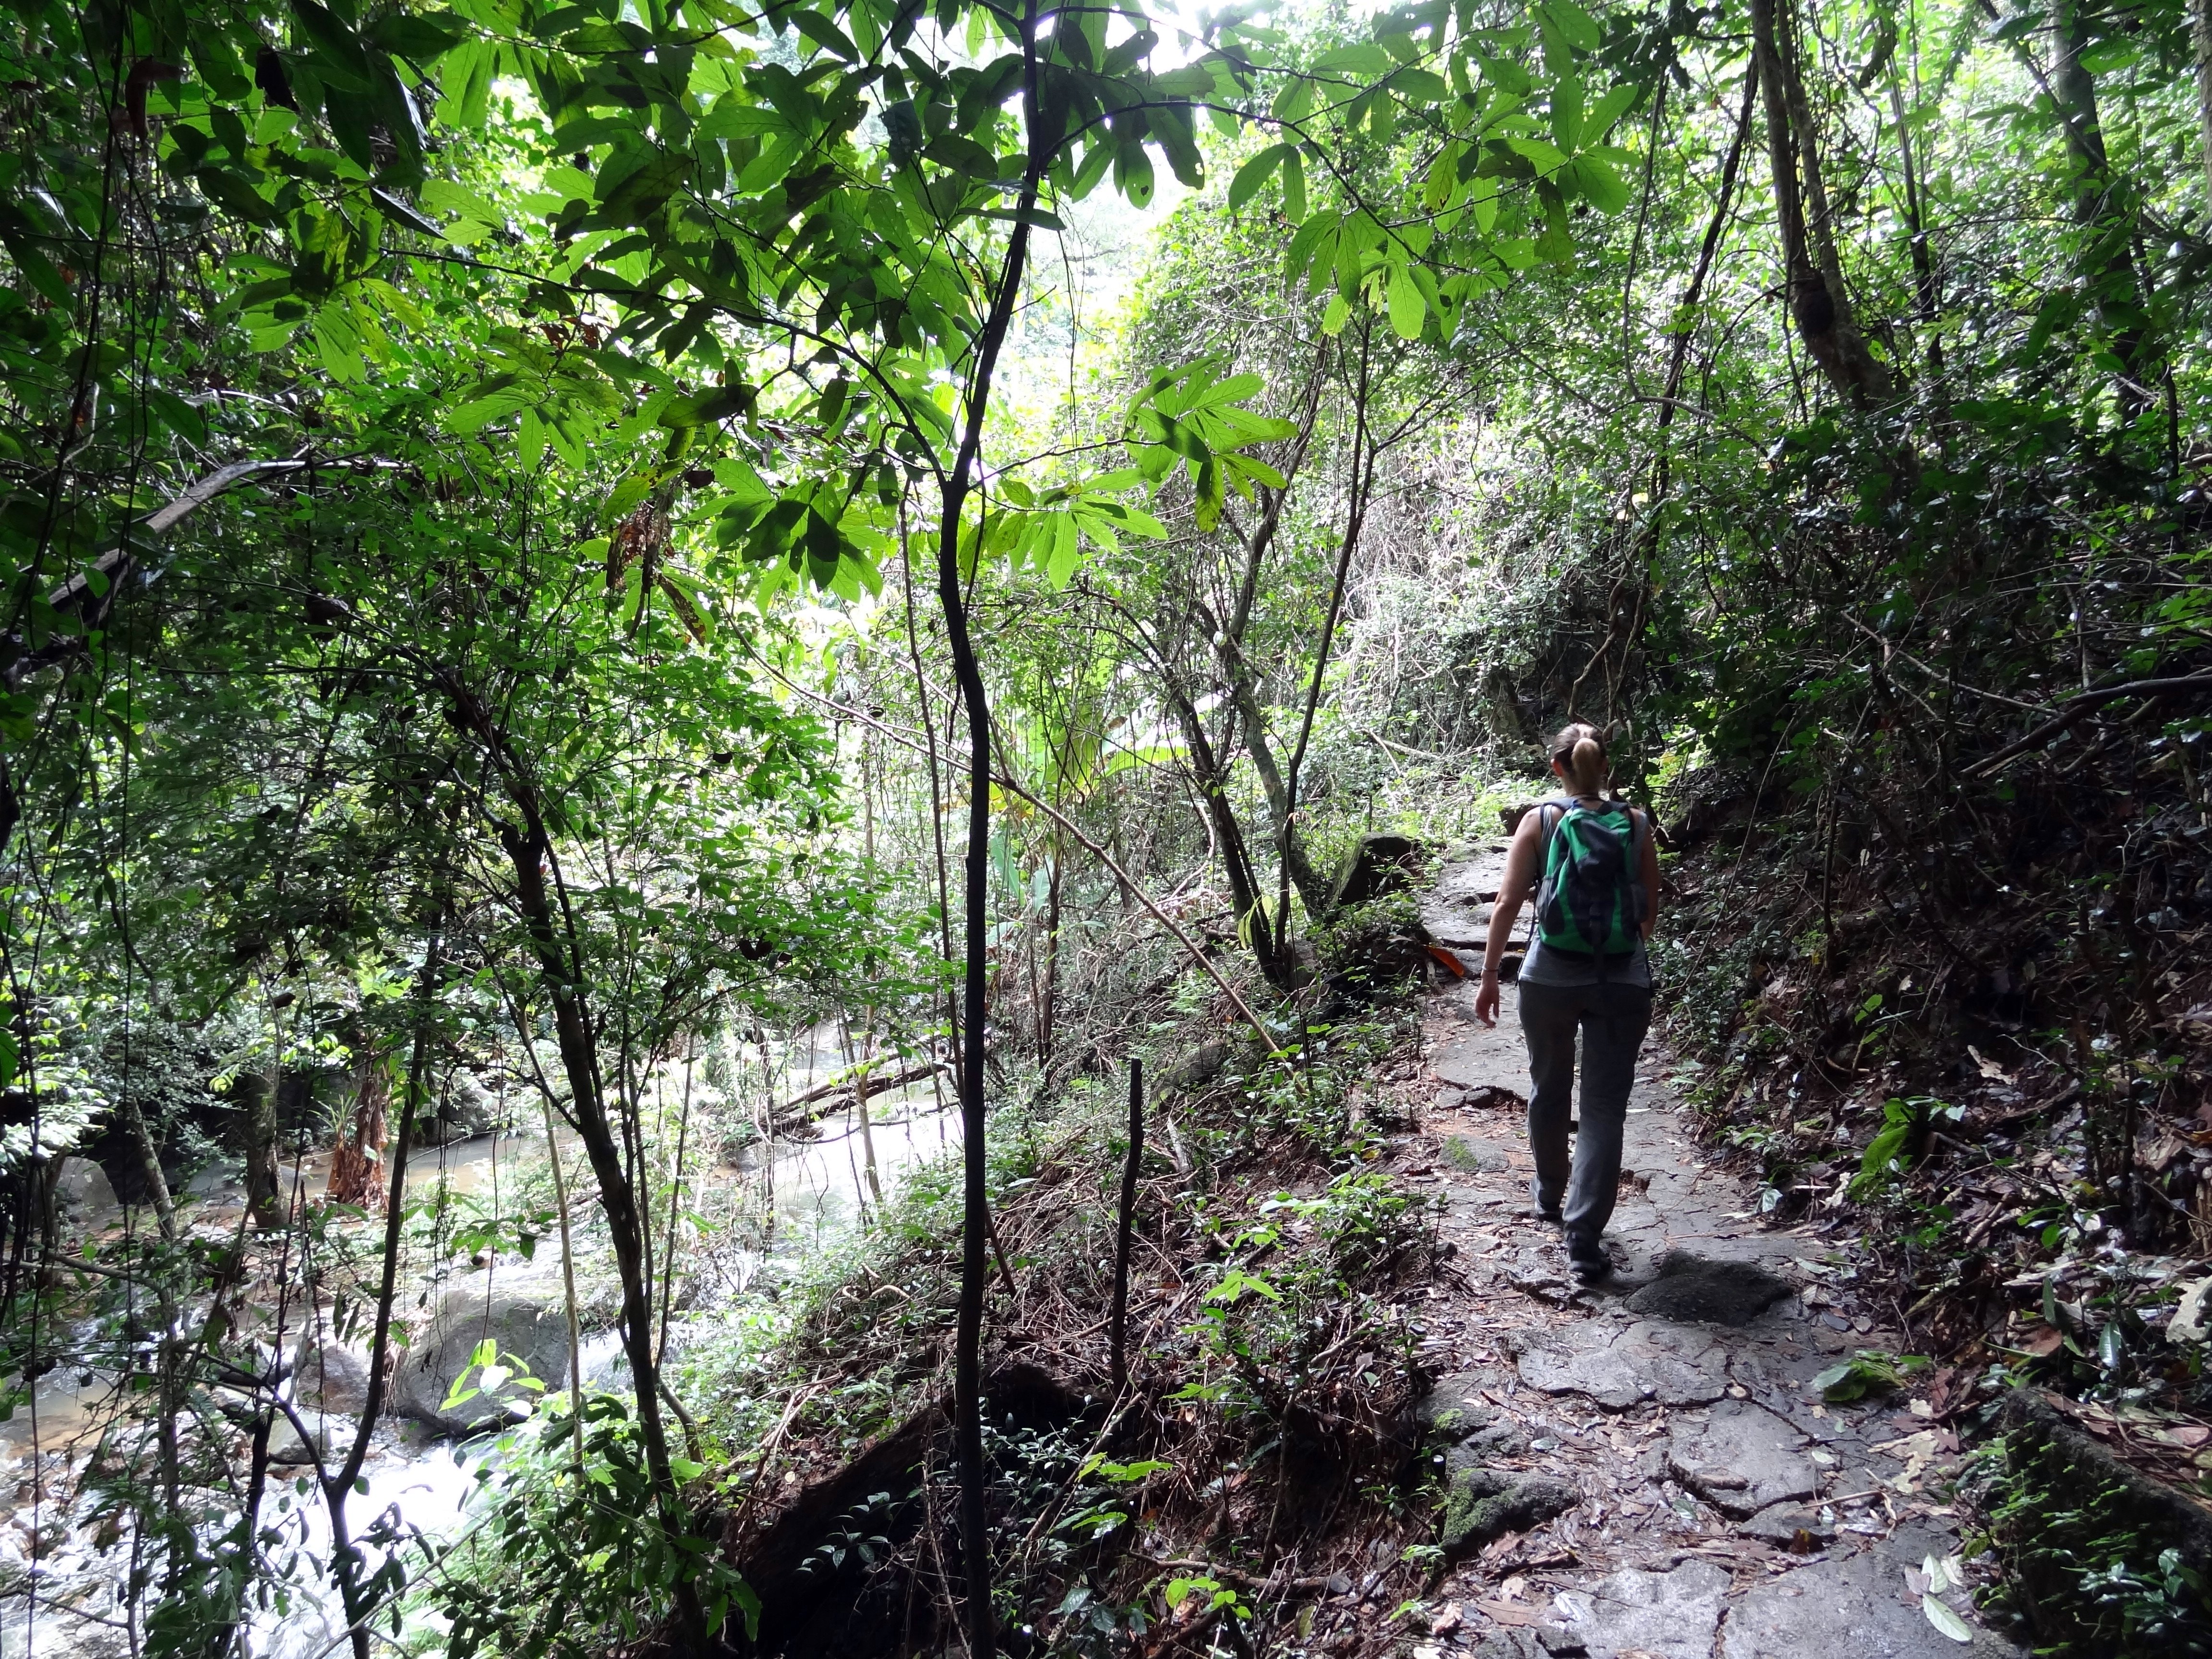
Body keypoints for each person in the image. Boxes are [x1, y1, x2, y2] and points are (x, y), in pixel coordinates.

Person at [1473, 722, 1660, 1280]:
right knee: (1604, 1110)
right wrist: (1615, 951)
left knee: (1548, 1086)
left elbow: (1508, 902)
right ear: (1606, 767)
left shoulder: (1542, 820)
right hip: (1622, 981)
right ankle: (1583, 1241)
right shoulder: (1636, 823)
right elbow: (1648, 911)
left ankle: (1550, 1192)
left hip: (1549, 978)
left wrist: (1488, 977)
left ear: (1558, 767)